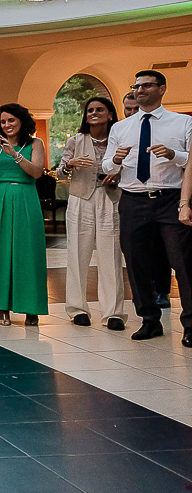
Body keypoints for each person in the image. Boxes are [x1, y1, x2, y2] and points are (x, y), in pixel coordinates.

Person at [108, 70, 192, 345]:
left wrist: (173, 154)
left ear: (162, 88)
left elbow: (191, 160)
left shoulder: (182, 122)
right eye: (137, 86)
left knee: (183, 262)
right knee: (136, 261)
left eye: (146, 85)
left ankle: (191, 324)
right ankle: (149, 320)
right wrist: (115, 160)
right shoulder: (121, 128)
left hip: (170, 198)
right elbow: (107, 166)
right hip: (133, 199)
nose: (140, 90)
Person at [0, 103, 48, 326]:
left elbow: (37, 172)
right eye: (3, 121)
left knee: (28, 252)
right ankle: (2, 307)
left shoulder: (35, 143)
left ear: (21, 121)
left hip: (26, 195)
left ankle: (31, 308)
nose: (6, 125)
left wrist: (15, 155)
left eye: (11, 120)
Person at [57, 97, 127, 330]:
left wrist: (118, 175)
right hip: (80, 198)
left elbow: (131, 168)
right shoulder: (76, 140)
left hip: (110, 197)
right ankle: (77, 309)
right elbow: (59, 173)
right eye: (90, 110)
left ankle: (113, 313)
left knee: (111, 255)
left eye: (99, 109)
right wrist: (70, 164)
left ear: (110, 114)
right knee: (77, 253)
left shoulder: (119, 140)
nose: (94, 113)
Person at [123, 90, 173, 309]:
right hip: (131, 197)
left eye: (136, 108)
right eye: (128, 109)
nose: (132, 112)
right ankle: (145, 299)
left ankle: (162, 290)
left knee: (159, 246)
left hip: (162, 195)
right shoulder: (122, 129)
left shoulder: (162, 127)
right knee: (136, 251)